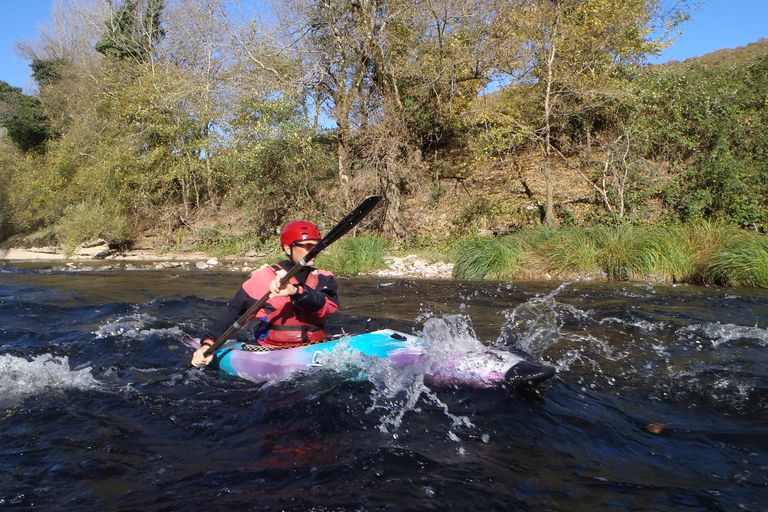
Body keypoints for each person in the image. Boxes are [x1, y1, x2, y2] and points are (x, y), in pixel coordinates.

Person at [191, 220, 339, 368]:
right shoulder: (263, 278)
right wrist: (207, 344)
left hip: (316, 346)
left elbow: (328, 307)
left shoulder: (324, 277)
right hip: (273, 350)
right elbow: (232, 314)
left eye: (317, 246)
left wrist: (296, 291)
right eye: (308, 246)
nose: (314, 251)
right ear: (288, 248)